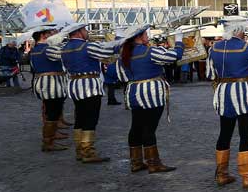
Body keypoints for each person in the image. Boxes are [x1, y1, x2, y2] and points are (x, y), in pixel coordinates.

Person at [207, 17, 248, 188]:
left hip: (224, 93)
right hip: (245, 93)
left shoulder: (214, 47)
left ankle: (222, 174)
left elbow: (210, 74)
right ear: (239, 30)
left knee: (225, 133)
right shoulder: (247, 47)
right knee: (246, 134)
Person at [114, 25, 183, 172]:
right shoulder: (149, 51)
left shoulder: (124, 53)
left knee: (136, 127)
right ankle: (153, 163)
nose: (148, 36)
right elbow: (174, 56)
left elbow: (121, 76)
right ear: (139, 37)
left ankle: (136, 162)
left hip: (133, 92)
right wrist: (179, 41)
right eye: (146, 34)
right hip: (151, 93)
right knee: (149, 128)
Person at [47, 21, 115, 163]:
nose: (87, 32)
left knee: (80, 118)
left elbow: (51, 53)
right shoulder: (87, 46)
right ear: (78, 32)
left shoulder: (65, 48)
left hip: (74, 85)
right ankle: (88, 152)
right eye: (85, 30)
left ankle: (79, 150)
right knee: (90, 119)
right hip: (90, 86)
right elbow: (108, 52)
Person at [28, 22, 70, 152]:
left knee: (51, 112)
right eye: (50, 33)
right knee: (53, 113)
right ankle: (48, 142)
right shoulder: (47, 48)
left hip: (44, 83)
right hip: (52, 84)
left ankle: (49, 139)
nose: (54, 35)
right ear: (43, 35)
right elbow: (65, 55)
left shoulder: (35, 49)